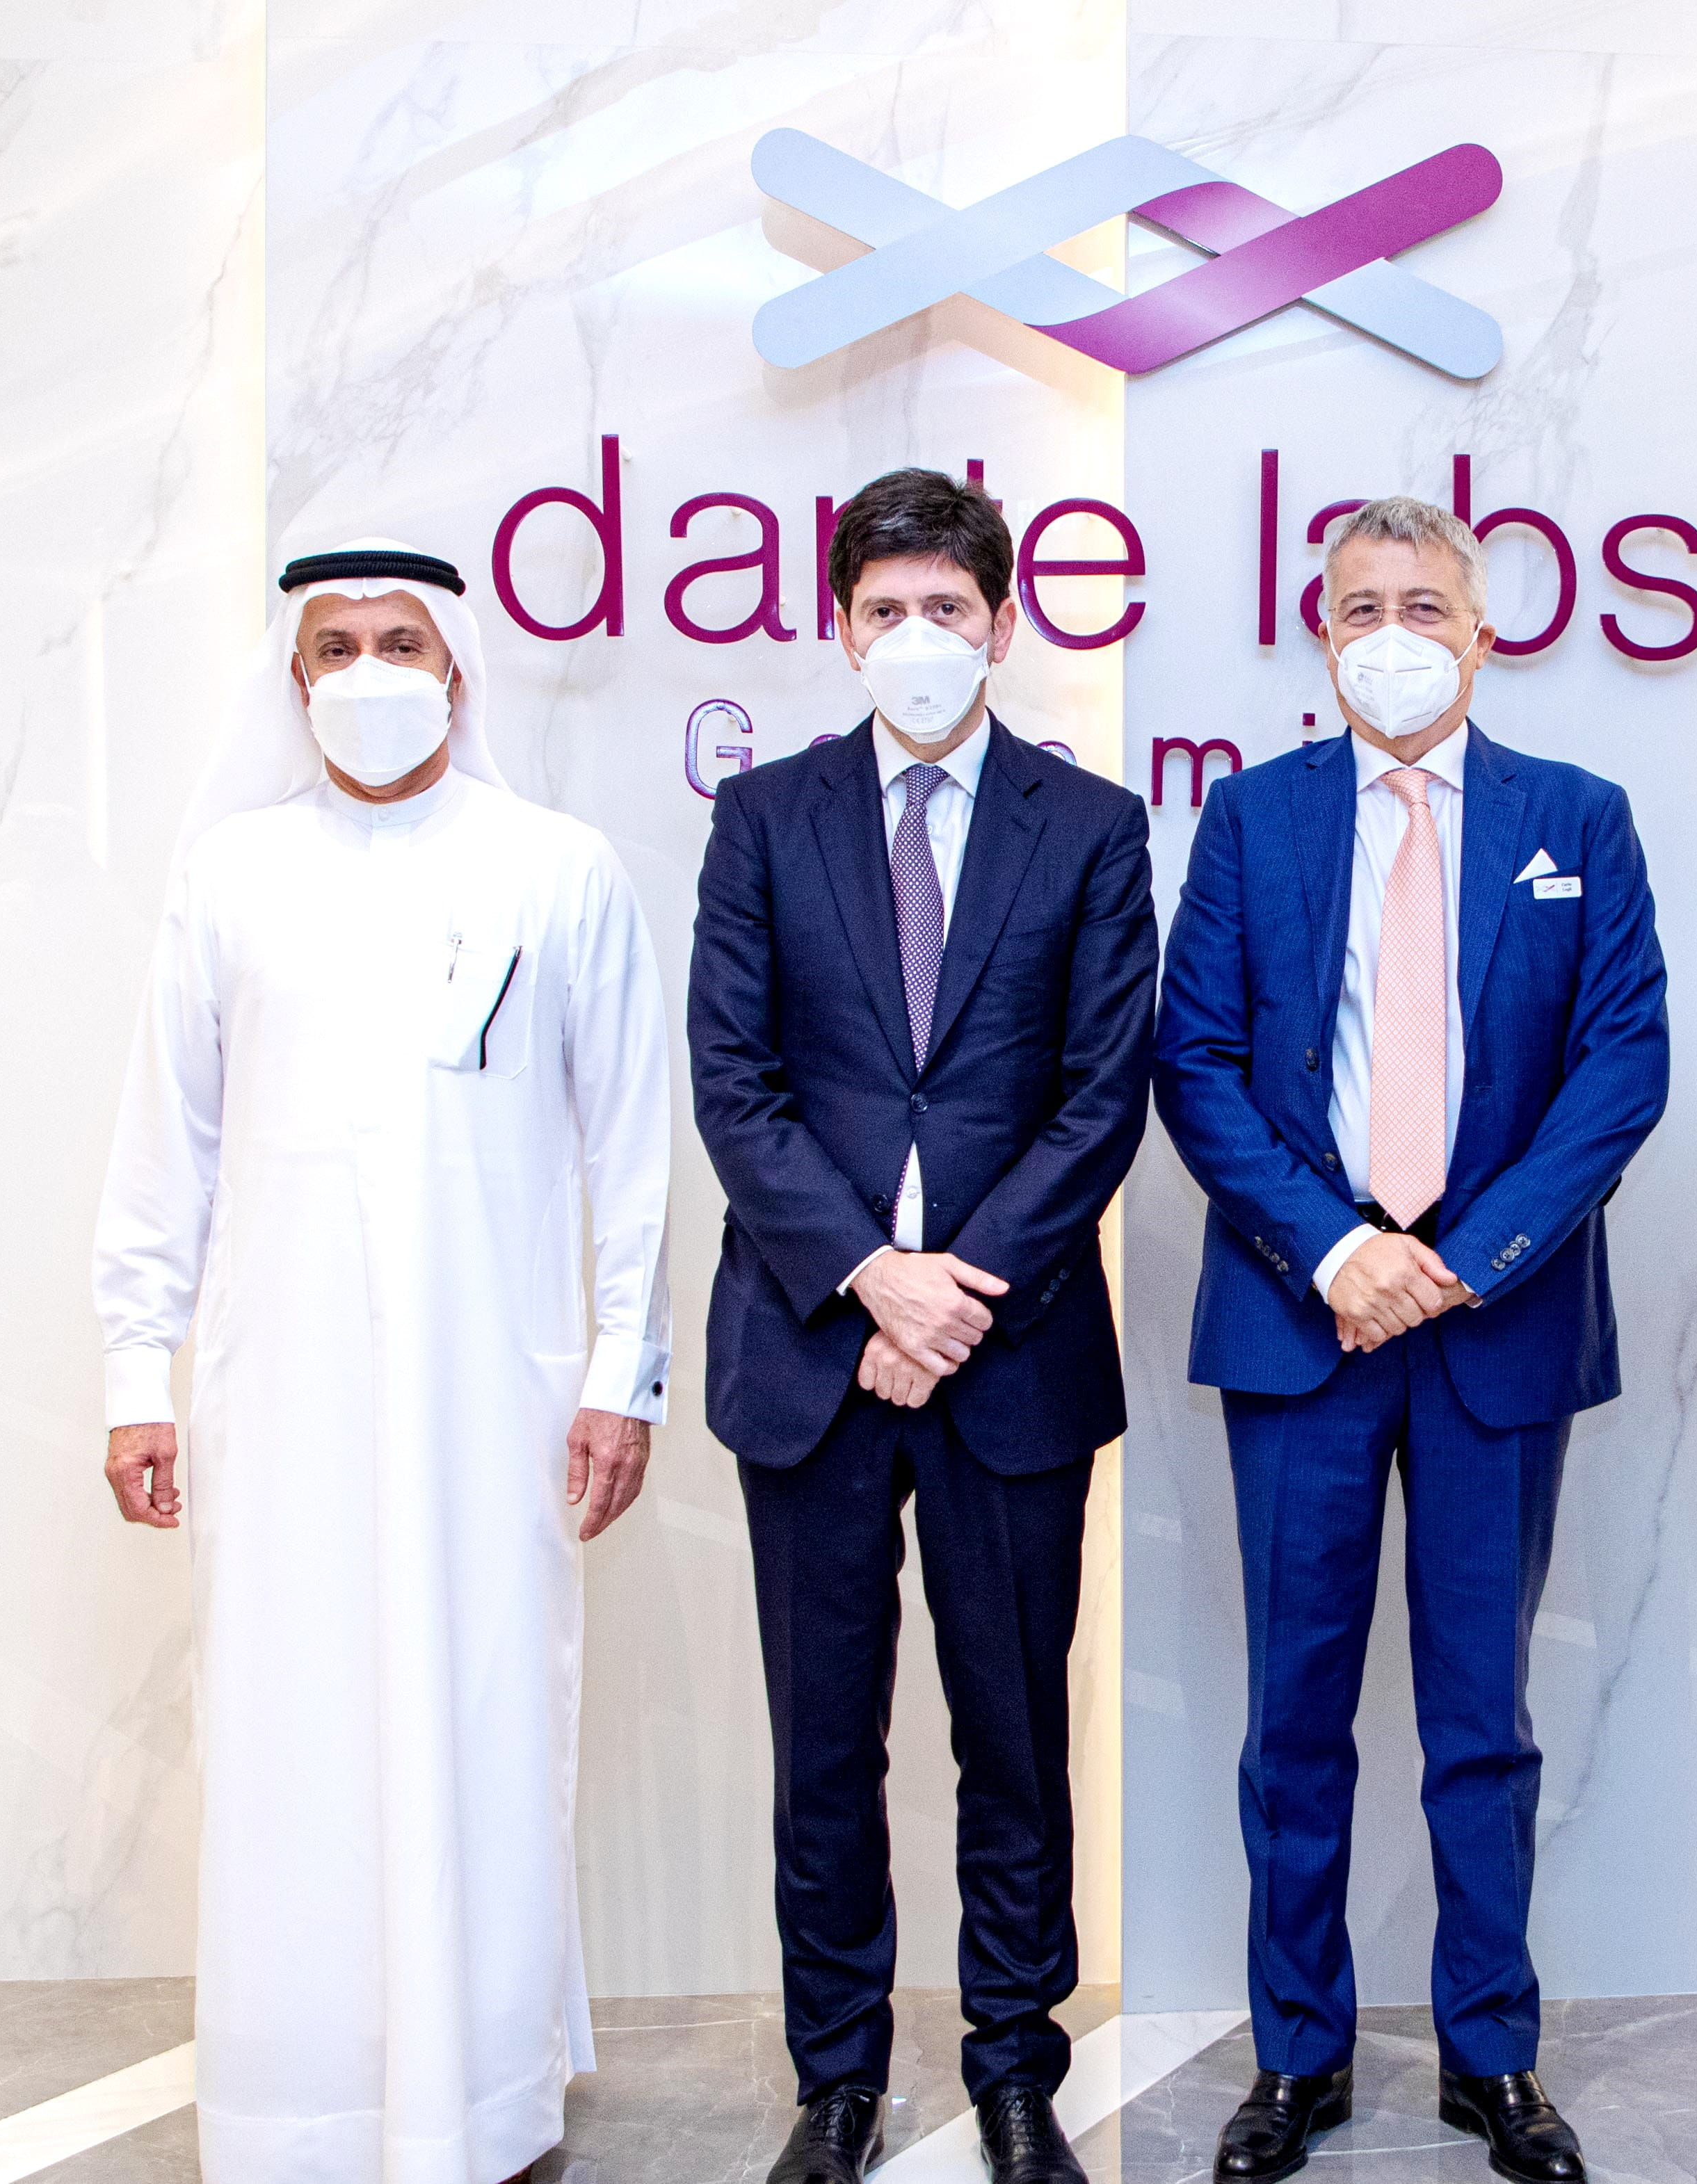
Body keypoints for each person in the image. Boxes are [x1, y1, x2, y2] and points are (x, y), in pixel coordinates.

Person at [92, 540, 673, 2184]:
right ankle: (296, 2103)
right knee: (290, 1726)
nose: (367, 672)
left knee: (481, 1715)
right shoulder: (232, 877)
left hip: (494, 1398)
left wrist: (621, 1372)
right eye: (334, 645)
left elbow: (634, 1144)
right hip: (275, 1395)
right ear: (294, 683)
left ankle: (481, 2094)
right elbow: (166, 1142)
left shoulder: (554, 868)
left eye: (399, 641)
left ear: (457, 665)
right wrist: (135, 1372)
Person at [1154, 496, 1670, 2184]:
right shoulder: (1253, 818)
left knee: (1481, 1720)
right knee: (1294, 1717)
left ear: (1481, 631)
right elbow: (1196, 1060)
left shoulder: (1576, 817)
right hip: (1305, 1320)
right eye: (1361, 604)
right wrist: (1332, 1248)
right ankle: (1295, 2056)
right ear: (1322, 634)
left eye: (1425, 604)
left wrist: (1469, 1257)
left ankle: (1491, 2055)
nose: (1394, 632)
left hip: (1489, 1327)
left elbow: (1622, 1065)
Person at [686, 468, 1157, 2184]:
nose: (915, 636)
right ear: (839, 627)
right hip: (809, 1348)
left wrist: (953, 1288)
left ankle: (1017, 2069)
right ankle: (836, 2078)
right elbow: (733, 1082)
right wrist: (867, 1275)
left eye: (945, 609)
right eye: (884, 610)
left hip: (1009, 1351)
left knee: (1013, 1735)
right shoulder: (765, 817)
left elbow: (1101, 1094)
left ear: (1001, 622)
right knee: (825, 1743)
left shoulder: (1088, 823)